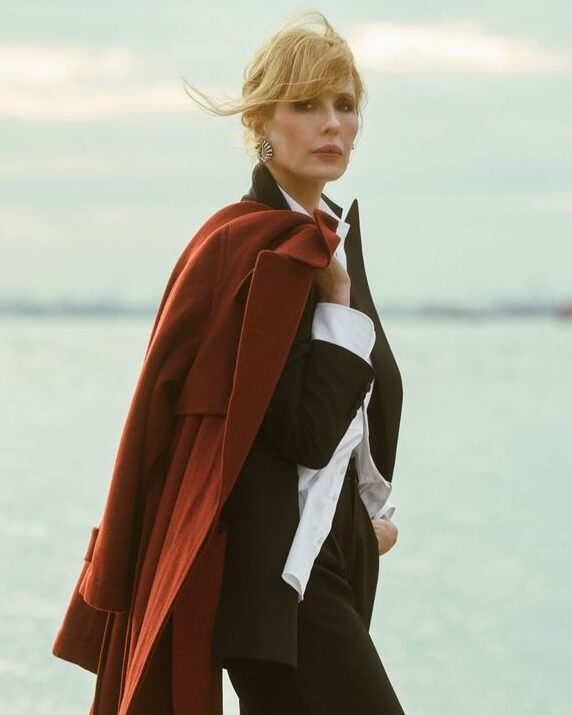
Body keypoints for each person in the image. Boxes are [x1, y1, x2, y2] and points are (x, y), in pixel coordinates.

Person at [52, 11, 404, 715]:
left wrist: (368, 516)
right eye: (305, 105)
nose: (331, 123)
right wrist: (338, 304)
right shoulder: (248, 251)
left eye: (344, 104)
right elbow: (297, 428)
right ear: (261, 124)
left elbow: (337, 430)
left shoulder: (324, 240)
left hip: (317, 570)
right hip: (270, 589)